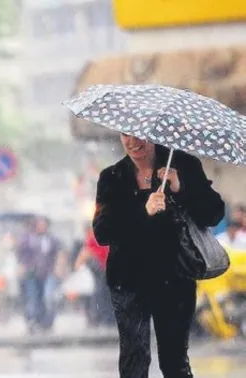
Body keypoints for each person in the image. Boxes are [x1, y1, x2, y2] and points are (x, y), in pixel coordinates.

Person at [93, 134, 224, 378]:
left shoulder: (183, 165)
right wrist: (143, 210)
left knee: (174, 361)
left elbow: (214, 213)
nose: (132, 142)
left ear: (153, 133)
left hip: (174, 278)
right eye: (125, 135)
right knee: (134, 359)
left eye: (138, 135)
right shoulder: (112, 177)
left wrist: (180, 188)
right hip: (128, 280)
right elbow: (103, 232)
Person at [16, 216, 61, 333]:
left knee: (47, 297)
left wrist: (58, 266)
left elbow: (58, 253)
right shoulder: (28, 238)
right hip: (31, 272)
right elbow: (20, 253)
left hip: (47, 272)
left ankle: (46, 321)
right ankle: (32, 321)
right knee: (32, 297)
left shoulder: (51, 239)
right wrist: (23, 266)